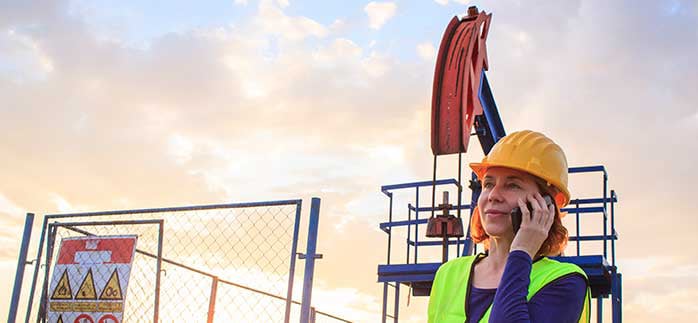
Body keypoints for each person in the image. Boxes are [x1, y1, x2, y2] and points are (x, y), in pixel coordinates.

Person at [427, 130, 590, 323]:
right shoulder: (448, 274)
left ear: (545, 205)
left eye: (512, 185)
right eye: (488, 184)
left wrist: (521, 251)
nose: (493, 195)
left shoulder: (565, 282)